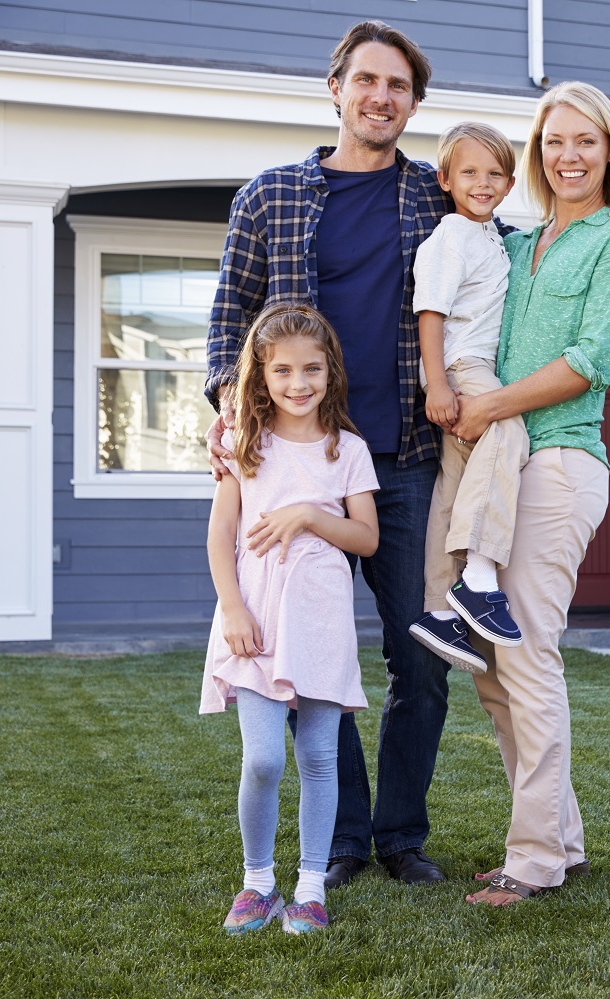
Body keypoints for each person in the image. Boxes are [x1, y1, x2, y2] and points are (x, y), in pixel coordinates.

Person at [205, 20, 465, 887]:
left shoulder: (435, 199)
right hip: (297, 463)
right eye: (367, 81)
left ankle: (400, 834)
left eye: (398, 85)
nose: (381, 97)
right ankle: (343, 837)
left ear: (413, 103)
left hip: (406, 458)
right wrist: (224, 410)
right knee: (314, 652)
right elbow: (227, 327)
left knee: (419, 653)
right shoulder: (270, 196)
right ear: (337, 88)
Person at [443, 82, 610, 906]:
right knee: (494, 666)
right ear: (538, 152)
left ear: (609, 152)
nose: (569, 155)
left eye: (585, 141)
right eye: (555, 141)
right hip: (503, 463)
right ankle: (561, 839)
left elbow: (590, 359)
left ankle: (531, 861)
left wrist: (486, 405)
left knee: (526, 654)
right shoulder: (519, 241)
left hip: (560, 463)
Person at [201, 303, 379, 935]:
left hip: (321, 621)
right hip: (257, 620)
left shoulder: (348, 450)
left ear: (330, 370)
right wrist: (232, 607)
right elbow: (221, 536)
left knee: (320, 757)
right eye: (282, 371)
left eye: (312, 369)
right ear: (261, 375)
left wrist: (307, 513)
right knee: (264, 762)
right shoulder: (245, 446)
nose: (298, 384)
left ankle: (309, 887)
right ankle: (257, 883)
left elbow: (365, 538)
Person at [408, 122, 531, 671]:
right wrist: (438, 383)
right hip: (462, 365)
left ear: (507, 184)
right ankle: (479, 576)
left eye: (495, 174)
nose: (482, 183)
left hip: (467, 367)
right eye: (470, 173)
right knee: (507, 431)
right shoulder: (451, 237)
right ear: (446, 179)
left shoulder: (493, 237)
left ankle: (437, 610)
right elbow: (429, 312)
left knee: (453, 485)